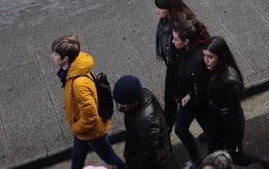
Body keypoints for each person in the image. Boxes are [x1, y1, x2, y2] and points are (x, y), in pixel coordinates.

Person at [201, 37, 269, 168]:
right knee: (213, 154)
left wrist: (234, 139)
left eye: (210, 57)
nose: (206, 60)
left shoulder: (229, 80)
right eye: (204, 56)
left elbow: (234, 112)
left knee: (236, 156)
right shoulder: (215, 70)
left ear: (221, 56)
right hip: (216, 119)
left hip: (227, 124)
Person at [51, 34, 126, 169]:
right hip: (82, 129)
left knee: (110, 158)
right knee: (77, 157)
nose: (53, 57)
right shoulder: (74, 68)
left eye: (56, 55)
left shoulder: (78, 83)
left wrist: (76, 127)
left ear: (66, 58)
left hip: (90, 130)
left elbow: (90, 116)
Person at [154, 0, 208, 129]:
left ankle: (209, 130)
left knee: (190, 103)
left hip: (183, 66)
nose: (157, 11)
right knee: (171, 100)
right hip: (173, 64)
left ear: (170, 9)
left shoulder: (183, 27)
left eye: (160, 8)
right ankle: (167, 128)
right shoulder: (164, 22)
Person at [111, 75, 179, 169]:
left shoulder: (146, 123)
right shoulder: (143, 95)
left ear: (133, 102)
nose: (120, 107)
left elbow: (149, 157)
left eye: (123, 104)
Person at [166, 22, 209, 167]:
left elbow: (203, 87)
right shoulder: (181, 52)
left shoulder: (198, 60)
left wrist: (190, 95)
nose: (172, 42)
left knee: (211, 133)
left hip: (198, 104)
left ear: (186, 42)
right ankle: (196, 160)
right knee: (180, 129)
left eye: (175, 39)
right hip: (187, 100)